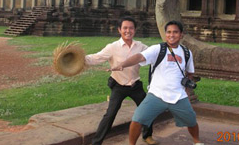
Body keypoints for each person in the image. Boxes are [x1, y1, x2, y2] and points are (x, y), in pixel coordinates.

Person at [111, 20, 204, 145]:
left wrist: (186, 90)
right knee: (137, 119)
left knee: (191, 121)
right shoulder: (158, 49)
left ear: (181, 34)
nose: (172, 35)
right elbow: (139, 57)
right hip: (156, 95)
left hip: (178, 96)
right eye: (169, 32)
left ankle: (197, 142)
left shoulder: (187, 53)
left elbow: (190, 72)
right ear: (165, 34)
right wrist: (123, 64)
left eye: (175, 32)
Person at [85, 16, 157, 145]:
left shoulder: (140, 46)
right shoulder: (113, 47)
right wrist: (80, 58)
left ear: (135, 30)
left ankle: (147, 136)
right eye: (125, 28)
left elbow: (154, 54)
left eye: (131, 28)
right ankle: (96, 142)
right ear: (119, 30)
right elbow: (96, 57)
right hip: (118, 86)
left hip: (135, 85)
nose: (128, 31)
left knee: (147, 110)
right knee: (110, 114)